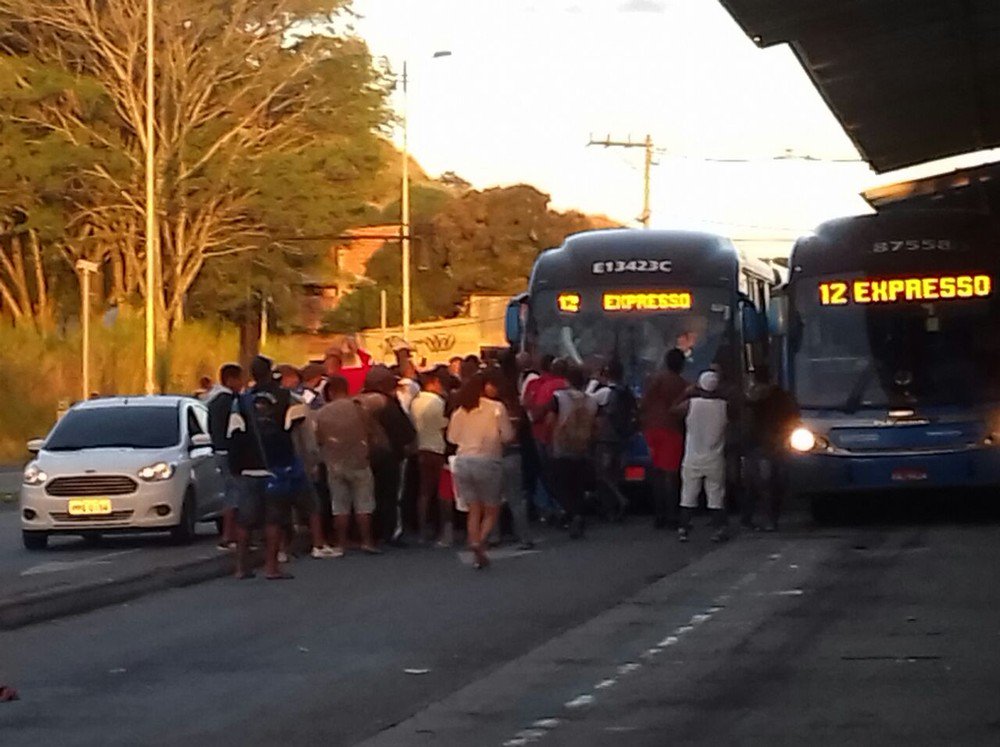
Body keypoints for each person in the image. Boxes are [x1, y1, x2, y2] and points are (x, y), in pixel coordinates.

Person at [447, 373, 514, 569]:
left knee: (473, 508)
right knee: (492, 508)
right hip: (488, 461)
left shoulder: (459, 411)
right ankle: (480, 541)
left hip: (463, 461)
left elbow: (452, 438)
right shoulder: (496, 408)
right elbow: (507, 435)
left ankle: (475, 545)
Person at [315, 375, 377, 555]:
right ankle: (366, 541)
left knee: (339, 505)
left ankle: (341, 543)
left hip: (334, 462)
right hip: (359, 460)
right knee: (364, 504)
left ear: (331, 391)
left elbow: (318, 438)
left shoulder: (322, 413)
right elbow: (370, 431)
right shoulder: (359, 409)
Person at [356, 366, 417, 546]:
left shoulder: (356, 401)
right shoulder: (386, 403)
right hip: (389, 456)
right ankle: (391, 532)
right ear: (382, 384)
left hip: (362, 455)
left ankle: (369, 533)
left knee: (367, 496)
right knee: (390, 496)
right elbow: (405, 432)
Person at [673, 370, 730, 543]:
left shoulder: (690, 404)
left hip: (692, 457)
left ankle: (683, 528)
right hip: (715, 458)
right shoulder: (724, 406)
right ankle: (718, 529)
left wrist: (685, 393)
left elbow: (672, 410)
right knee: (716, 495)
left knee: (688, 494)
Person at [743, 364, 799, 532]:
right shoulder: (782, 396)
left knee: (757, 483)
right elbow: (794, 416)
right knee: (774, 483)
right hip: (778, 442)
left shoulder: (752, 398)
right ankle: (771, 519)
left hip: (758, 444)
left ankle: (752, 518)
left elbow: (747, 421)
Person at [486, 361, 534, 549]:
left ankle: (494, 535)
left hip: (496, 453)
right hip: (513, 454)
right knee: (515, 499)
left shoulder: (492, 407)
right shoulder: (514, 405)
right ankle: (524, 536)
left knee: (493, 498)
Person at [546, 364, 598, 539]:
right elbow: (597, 425)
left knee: (559, 484)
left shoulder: (558, 397)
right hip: (582, 447)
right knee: (578, 486)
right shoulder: (592, 401)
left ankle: (572, 513)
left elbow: (550, 421)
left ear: (567, 380)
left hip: (561, 447)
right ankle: (578, 514)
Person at [641, 348, 688, 529]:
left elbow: (644, 402)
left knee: (657, 472)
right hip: (671, 430)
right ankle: (672, 515)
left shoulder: (655, 380)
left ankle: (658, 515)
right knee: (670, 474)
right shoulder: (682, 384)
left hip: (651, 429)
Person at [524, 356, 569, 523]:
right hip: (571, 438)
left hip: (544, 435)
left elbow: (536, 412)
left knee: (545, 472)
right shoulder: (572, 387)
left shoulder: (544, 386)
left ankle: (549, 507)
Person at [206, 363, 244, 551]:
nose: (241, 384)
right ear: (230, 380)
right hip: (230, 452)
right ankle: (229, 535)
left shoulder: (213, 402)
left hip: (219, 450)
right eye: (239, 379)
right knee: (234, 494)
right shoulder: (231, 402)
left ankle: (231, 535)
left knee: (230, 491)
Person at [410, 366, 450, 543]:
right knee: (443, 492)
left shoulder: (415, 402)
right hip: (438, 449)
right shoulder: (438, 403)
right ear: (434, 382)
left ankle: (422, 529)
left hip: (421, 447)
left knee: (424, 492)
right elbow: (444, 426)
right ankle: (443, 528)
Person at [593, 359, 636, 522]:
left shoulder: (606, 392)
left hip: (606, 438)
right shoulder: (627, 392)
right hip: (622, 437)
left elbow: (588, 400)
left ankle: (615, 502)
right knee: (615, 474)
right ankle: (614, 507)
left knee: (602, 473)